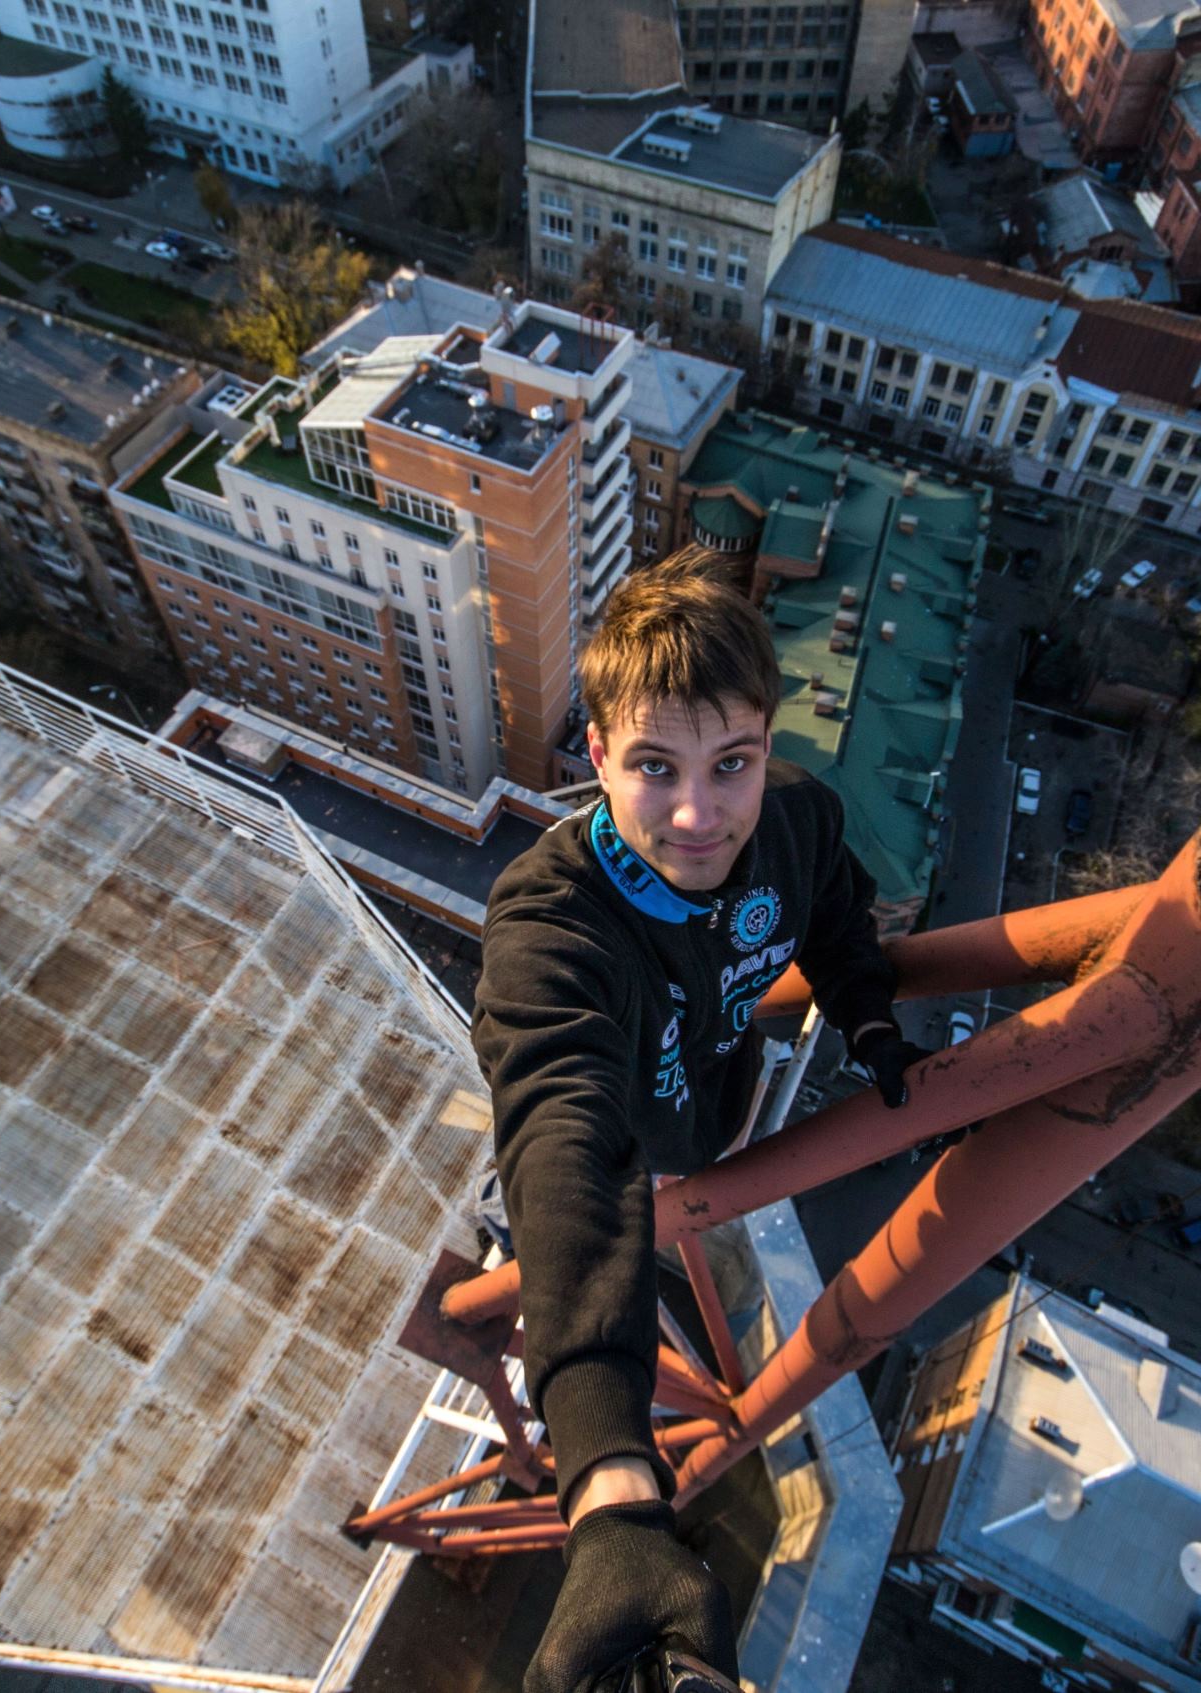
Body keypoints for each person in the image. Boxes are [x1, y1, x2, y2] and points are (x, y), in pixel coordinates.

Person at [472, 553, 925, 1693]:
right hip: (637, 1157)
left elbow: (833, 909)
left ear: (769, 744)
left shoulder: (794, 825)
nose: (696, 813)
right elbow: (563, 1137)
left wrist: (865, 1012)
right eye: (652, 766)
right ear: (595, 757)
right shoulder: (552, 923)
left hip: (712, 1103)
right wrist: (609, 1480)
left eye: (732, 762)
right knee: (605, 1188)